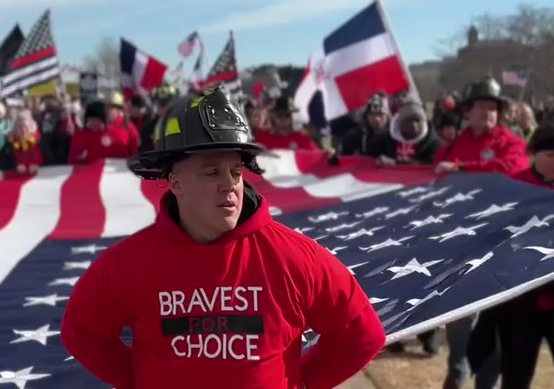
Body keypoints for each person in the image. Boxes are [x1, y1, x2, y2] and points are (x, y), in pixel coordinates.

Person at [62, 89, 384, 388]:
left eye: (236, 172)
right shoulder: (129, 263)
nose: (229, 185)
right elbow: (81, 332)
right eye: (211, 172)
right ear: (175, 182)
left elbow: (362, 334)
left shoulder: (295, 259)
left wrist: (298, 382)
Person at [468, 121, 554, 389]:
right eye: (551, 155)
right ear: (534, 155)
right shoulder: (512, 189)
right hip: (521, 297)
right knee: (516, 376)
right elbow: (490, 239)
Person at [434, 78, 528, 175]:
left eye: (492, 108)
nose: (487, 113)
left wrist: (460, 167)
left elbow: (512, 166)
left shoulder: (511, 143)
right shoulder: (453, 148)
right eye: (481, 107)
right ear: (467, 112)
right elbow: (437, 168)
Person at [69, 100, 136, 164]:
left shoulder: (119, 134)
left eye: (97, 119)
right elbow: (73, 161)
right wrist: (80, 158)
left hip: (111, 172)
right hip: (88, 173)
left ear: (104, 119)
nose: (93, 122)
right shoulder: (79, 137)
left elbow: (127, 156)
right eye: (91, 119)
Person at [255, 96, 319, 151]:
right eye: (279, 115)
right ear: (273, 116)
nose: (283, 119)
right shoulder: (262, 139)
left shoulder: (303, 139)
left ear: (292, 118)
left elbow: (316, 157)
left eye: (287, 115)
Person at [0, 110, 43, 175]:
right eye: (20, 127)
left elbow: (50, 162)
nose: (23, 130)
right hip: (15, 180)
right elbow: (0, 162)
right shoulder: (10, 144)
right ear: (15, 130)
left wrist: (39, 166)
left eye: (26, 127)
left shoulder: (40, 142)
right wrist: (15, 166)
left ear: (31, 128)